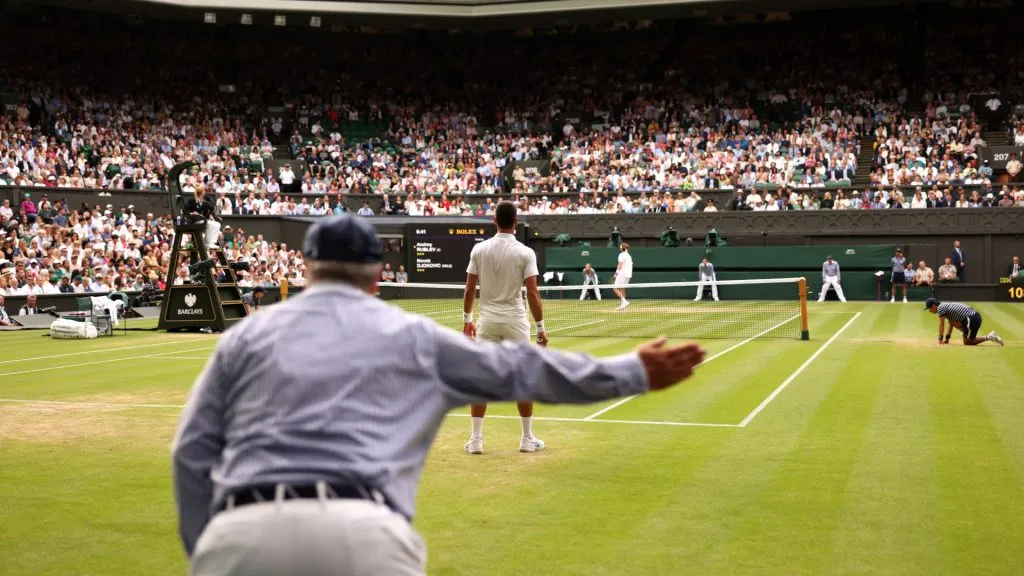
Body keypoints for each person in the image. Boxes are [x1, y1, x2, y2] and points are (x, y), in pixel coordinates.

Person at [172, 214, 707, 576]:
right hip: (365, 538)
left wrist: (212, 550)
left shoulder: (244, 337)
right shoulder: (414, 339)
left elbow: (192, 453)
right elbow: (524, 370)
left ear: (308, 270)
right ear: (378, 276)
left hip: (239, 538)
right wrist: (631, 373)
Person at [462, 201, 548, 454]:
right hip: (515, 322)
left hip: (487, 322)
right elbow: (533, 294)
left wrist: (468, 321)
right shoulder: (525, 252)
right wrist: (541, 328)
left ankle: (476, 441)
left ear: (494, 221)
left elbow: (469, 289)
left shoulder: (479, 250)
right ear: (516, 222)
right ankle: (527, 439)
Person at [925, 297, 1004, 346]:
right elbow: (951, 324)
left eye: (929, 309)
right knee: (953, 323)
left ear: (934, 306)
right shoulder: (944, 306)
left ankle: (990, 337)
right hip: (972, 318)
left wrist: (940, 339)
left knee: (967, 342)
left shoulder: (940, 308)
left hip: (972, 319)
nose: (929, 311)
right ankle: (970, 335)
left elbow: (941, 324)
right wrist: (947, 339)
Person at [613, 242, 633, 311]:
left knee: (615, 288)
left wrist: (616, 273)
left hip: (622, 274)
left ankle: (624, 302)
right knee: (622, 289)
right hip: (628, 275)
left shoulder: (621, 254)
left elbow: (620, 264)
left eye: (620, 247)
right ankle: (623, 306)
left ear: (622, 248)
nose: (620, 248)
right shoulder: (629, 256)